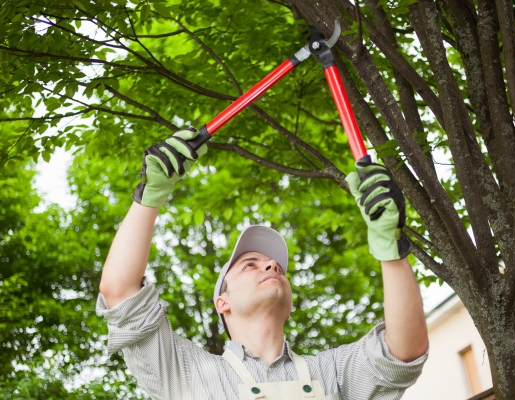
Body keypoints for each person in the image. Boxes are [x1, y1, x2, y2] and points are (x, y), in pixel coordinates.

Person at [96, 128, 429, 400]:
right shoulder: (187, 373)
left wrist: (391, 248)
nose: (271, 266)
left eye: (277, 268)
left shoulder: (332, 372)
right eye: (250, 265)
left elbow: (404, 352)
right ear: (221, 302)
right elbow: (120, 293)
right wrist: (149, 196)